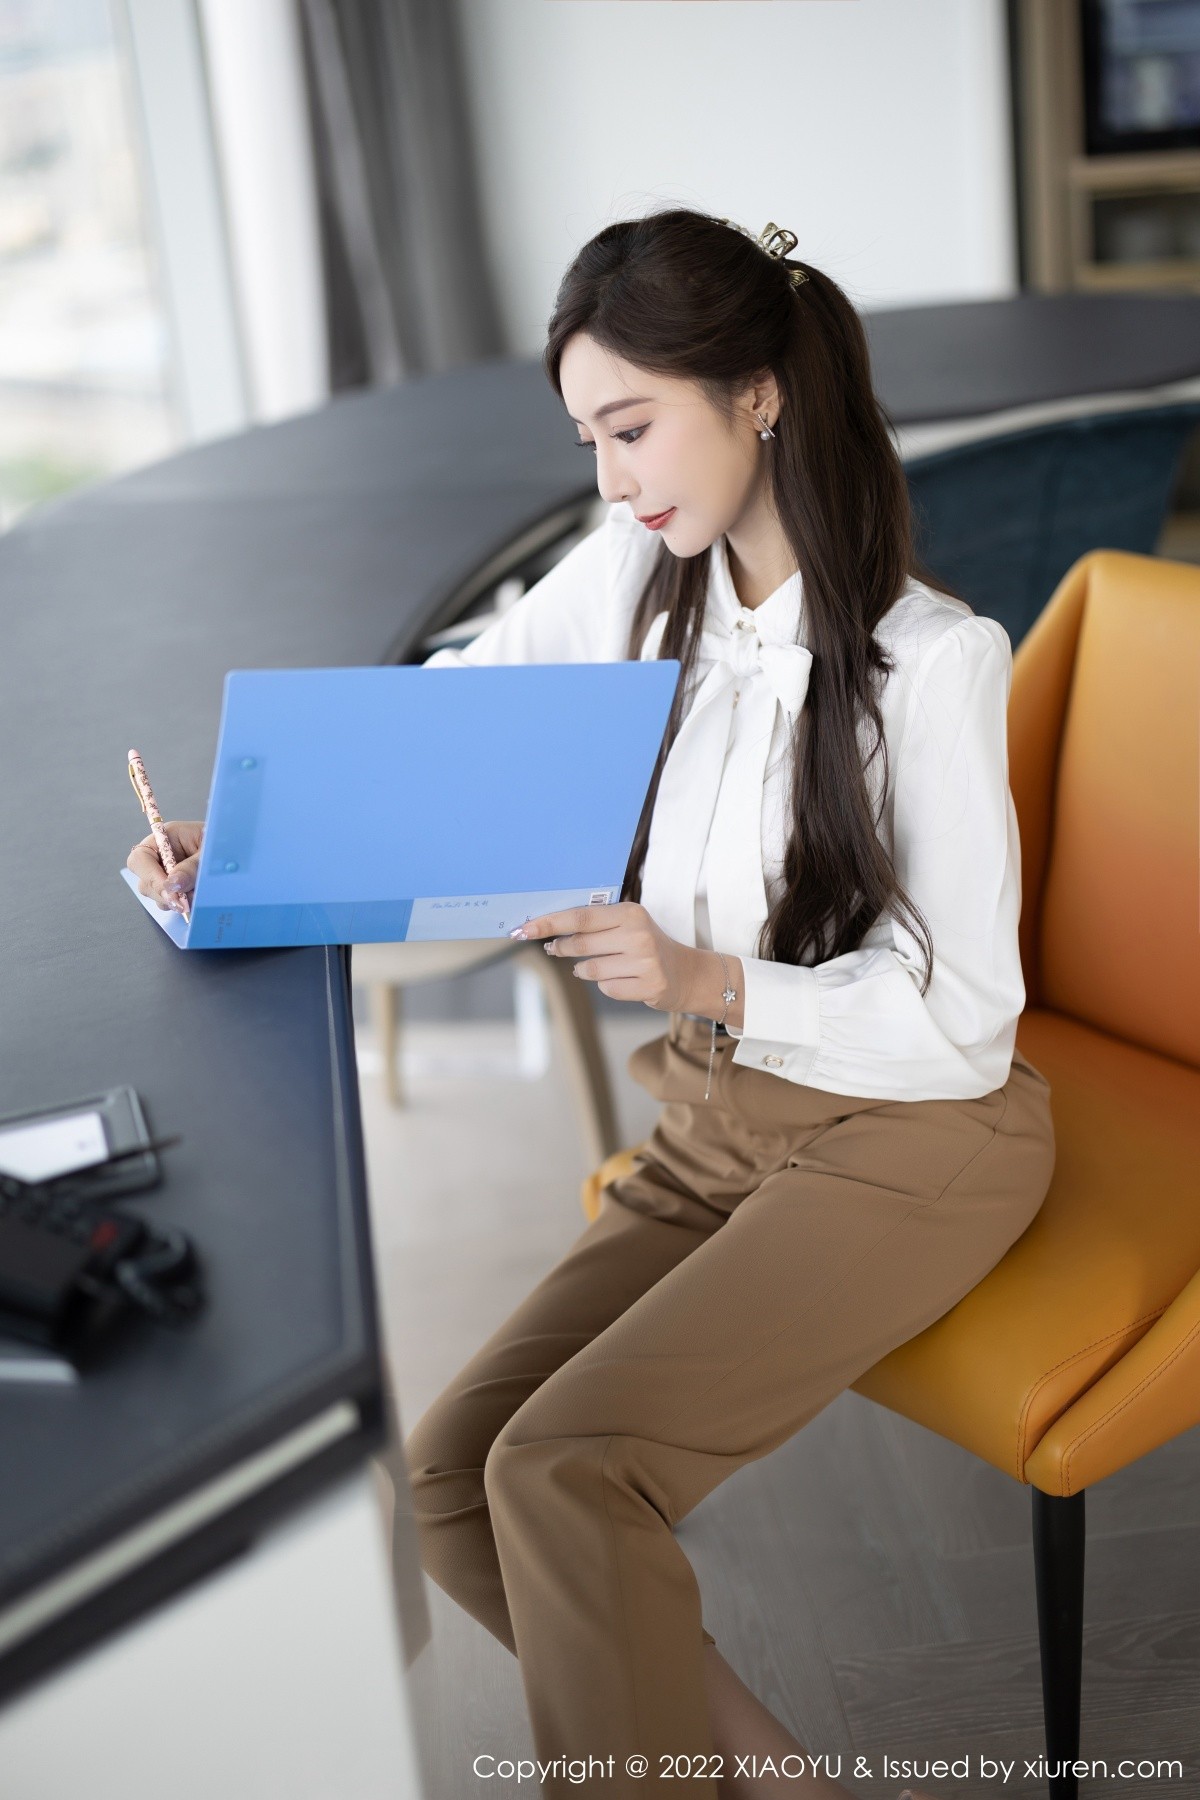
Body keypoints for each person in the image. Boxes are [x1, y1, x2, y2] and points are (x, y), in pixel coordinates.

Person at [127, 208, 1056, 1800]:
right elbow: (458, 715)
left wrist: (706, 976)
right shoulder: (644, 571)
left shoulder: (937, 661)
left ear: (758, 390)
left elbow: (964, 1013)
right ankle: (772, 1776)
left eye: (633, 429)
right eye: (591, 439)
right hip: (720, 1120)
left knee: (563, 1468)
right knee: (450, 1481)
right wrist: (249, 840)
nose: (615, 478)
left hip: (918, 1132)